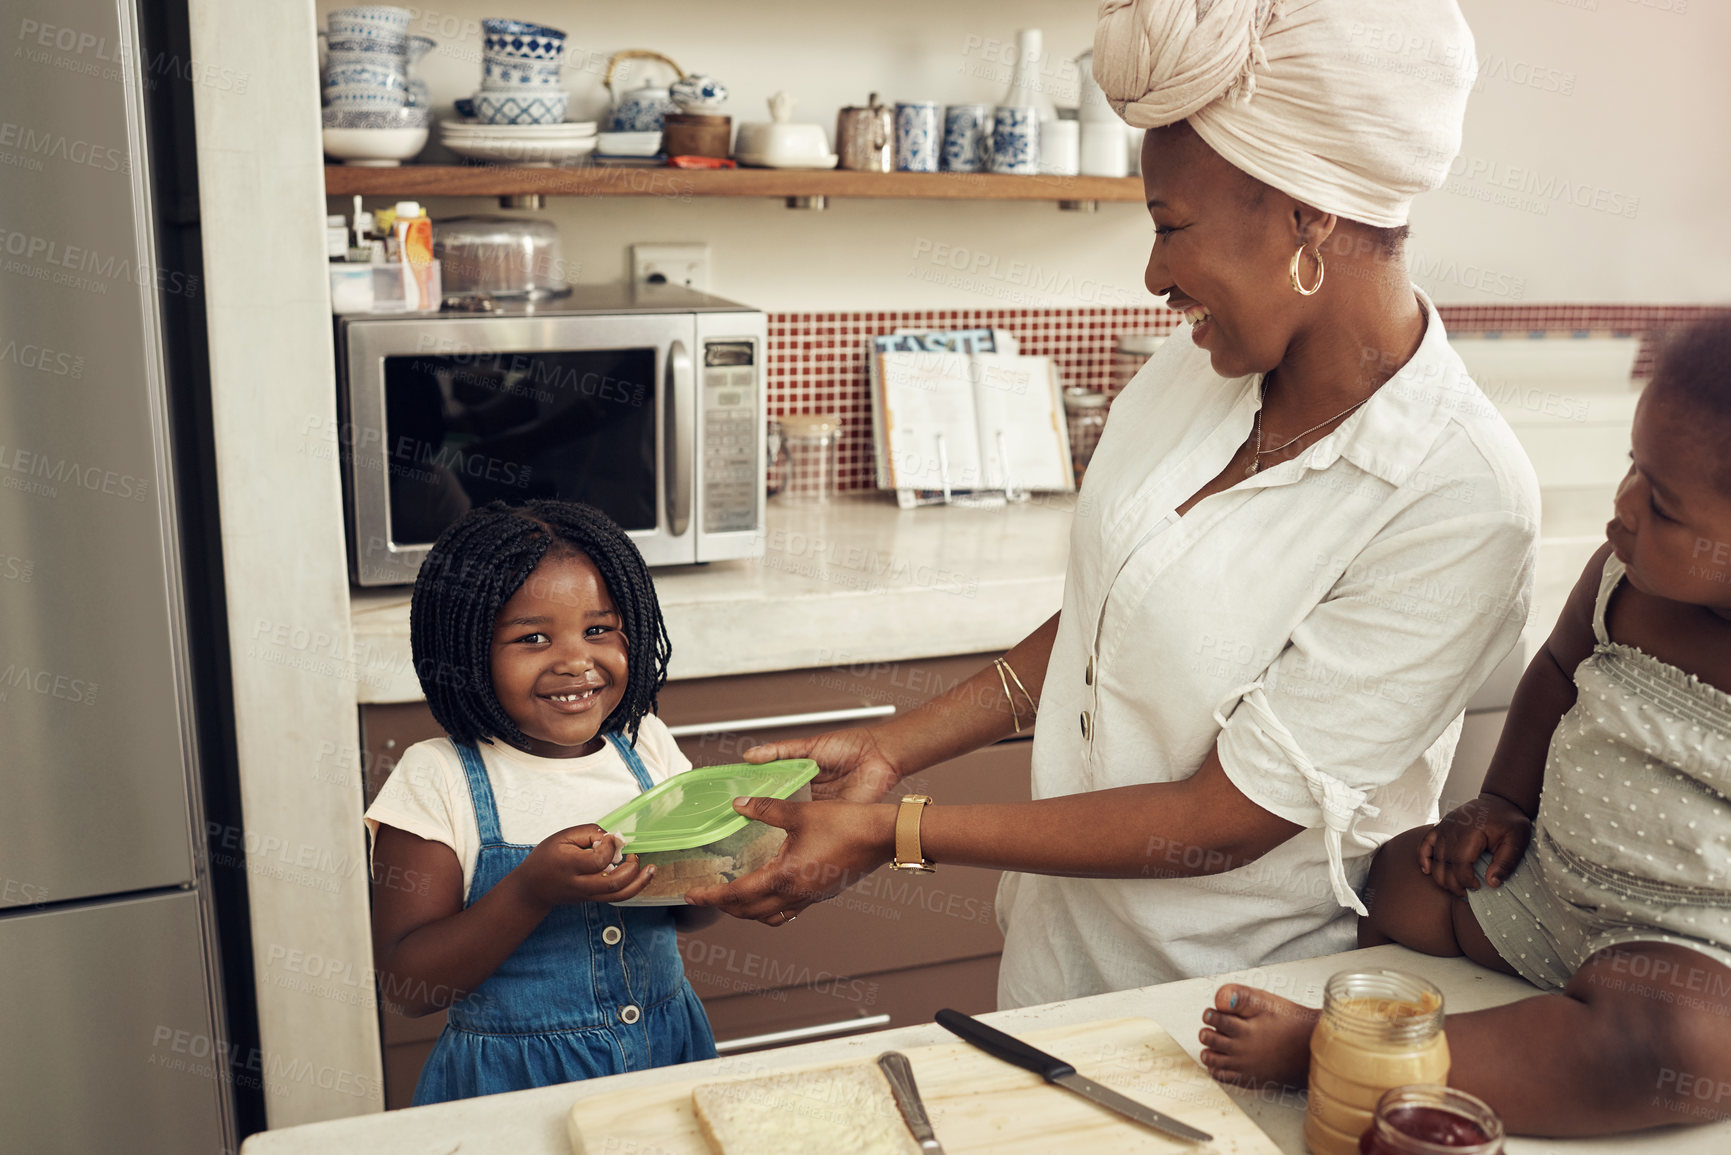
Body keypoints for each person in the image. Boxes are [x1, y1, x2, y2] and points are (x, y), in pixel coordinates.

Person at [688, 0, 1542, 1008]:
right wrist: (895, 744)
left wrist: (893, 832)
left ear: (1306, 218)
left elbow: (1224, 819)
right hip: (1057, 966)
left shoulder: (1457, 499)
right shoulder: (1195, 375)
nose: (1153, 277)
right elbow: (1110, 621)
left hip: (1248, 1009)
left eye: (1169, 227)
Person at [1200, 318, 1731, 1135]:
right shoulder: (1622, 579)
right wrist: (1499, 804)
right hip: (1542, 889)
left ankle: (1338, 1053)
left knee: (1676, 1047)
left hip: (1681, 953)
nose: (1619, 511)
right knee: (1398, 879)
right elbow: (1555, 670)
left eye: (1659, 504)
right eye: (1633, 467)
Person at [365, 500, 716, 1105]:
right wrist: (531, 890)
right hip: (512, 1088)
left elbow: (692, 913)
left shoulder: (645, 745)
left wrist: (720, 862)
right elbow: (409, 986)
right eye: (533, 638)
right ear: (467, 652)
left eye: (599, 630)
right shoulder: (440, 780)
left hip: (666, 1058)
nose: (576, 661)